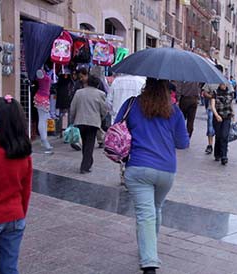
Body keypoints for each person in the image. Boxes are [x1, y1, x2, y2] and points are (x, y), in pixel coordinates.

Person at [115, 78, 189, 274]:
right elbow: (183, 143)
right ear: (166, 89)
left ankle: (149, 262)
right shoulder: (174, 111)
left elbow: (116, 127)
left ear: (146, 85)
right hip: (166, 170)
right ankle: (150, 249)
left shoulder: (132, 103)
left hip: (138, 167)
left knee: (145, 213)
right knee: (155, 208)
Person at [0, 95, 32, 274]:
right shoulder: (23, 153)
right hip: (15, 216)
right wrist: (20, 213)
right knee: (9, 267)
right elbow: (26, 190)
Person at [70, 74, 107, 174]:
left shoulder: (79, 93)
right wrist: (101, 118)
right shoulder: (101, 94)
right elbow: (104, 110)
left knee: (85, 143)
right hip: (93, 122)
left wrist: (72, 120)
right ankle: (85, 165)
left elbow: (73, 108)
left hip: (80, 121)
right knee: (89, 144)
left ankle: (87, 162)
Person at [211, 82, 234, 165]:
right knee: (219, 136)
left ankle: (224, 156)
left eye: (225, 84)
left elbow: (231, 104)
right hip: (218, 117)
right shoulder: (215, 93)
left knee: (224, 136)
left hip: (227, 117)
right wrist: (216, 115)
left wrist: (233, 114)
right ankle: (217, 153)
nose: (223, 86)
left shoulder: (229, 93)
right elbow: (212, 106)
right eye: (222, 84)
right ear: (219, 85)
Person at [34, 69, 53, 153]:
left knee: (44, 120)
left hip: (43, 98)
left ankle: (44, 139)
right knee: (42, 120)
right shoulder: (40, 72)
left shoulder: (42, 72)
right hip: (42, 98)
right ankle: (44, 139)